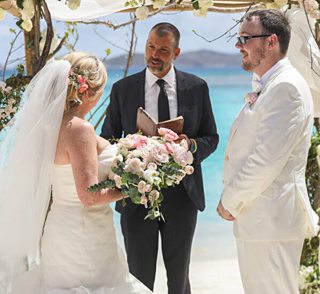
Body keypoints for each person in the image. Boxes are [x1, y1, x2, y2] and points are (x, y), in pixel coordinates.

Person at [0, 52, 151, 294]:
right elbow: (89, 195)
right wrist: (135, 187)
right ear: (90, 91)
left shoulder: (51, 125)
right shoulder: (79, 129)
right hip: (84, 238)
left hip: (61, 230)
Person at [101, 22, 219, 294]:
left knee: (179, 281)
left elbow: (211, 138)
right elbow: (107, 140)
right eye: (151, 46)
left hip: (183, 197)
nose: (154, 54)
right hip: (135, 196)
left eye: (163, 50)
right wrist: (129, 152)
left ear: (176, 53)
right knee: (139, 279)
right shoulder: (123, 89)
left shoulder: (196, 87)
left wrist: (189, 145)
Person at [216, 9, 319, 294]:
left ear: (271, 41)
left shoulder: (286, 87)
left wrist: (230, 200)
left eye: (245, 38)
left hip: (271, 222)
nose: (238, 45)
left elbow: (265, 160)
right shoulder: (271, 85)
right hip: (262, 221)